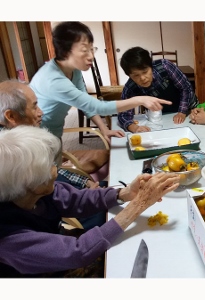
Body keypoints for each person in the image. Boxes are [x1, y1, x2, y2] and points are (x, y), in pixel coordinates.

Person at [0, 125, 180, 277]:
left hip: (58, 245)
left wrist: (124, 194)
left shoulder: (38, 191)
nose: (57, 170)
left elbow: (77, 200)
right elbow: (77, 252)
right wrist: (138, 205)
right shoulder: (9, 238)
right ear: (31, 183)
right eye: (51, 166)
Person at [29, 21, 172, 146]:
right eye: (85, 50)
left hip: (54, 131)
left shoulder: (74, 70)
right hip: (34, 136)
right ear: (65, 52)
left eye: (92, 49)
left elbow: (87, 104)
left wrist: (104, 129)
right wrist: (139, 100)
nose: (91, 56)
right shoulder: (53, 80)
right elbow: (98, 107)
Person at [0, 79, 108, 230]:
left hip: (53, 194)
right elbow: (47, 182)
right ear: (11, 116)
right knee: (104, 213)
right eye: (34, 106)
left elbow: (53, 170)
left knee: (106, 190)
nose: (41, 112)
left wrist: (83, 182)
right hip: (39, 216)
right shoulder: (11, 151)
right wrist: (81, 189)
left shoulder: (26, 138)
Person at [118, 46, 199, 132]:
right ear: (129, 76)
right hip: (162, 116)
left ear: (151, 66)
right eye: (136, 75)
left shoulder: (165, 66)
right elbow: (123, 114)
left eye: (145, 72)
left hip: (188, 108)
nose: (142, 78)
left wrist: (182, 112)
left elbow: (185, 87)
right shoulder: (130, 87)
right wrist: (134, 127)